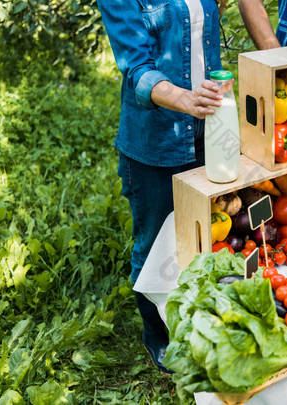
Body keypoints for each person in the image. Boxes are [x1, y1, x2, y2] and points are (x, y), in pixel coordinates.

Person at [97, 0, 226, 373]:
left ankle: (200, 321)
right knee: (155, 244)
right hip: (156, 143)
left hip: (210, 130)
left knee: (205, 234)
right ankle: (160, 337)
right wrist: (186, 99)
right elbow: (137, 70)